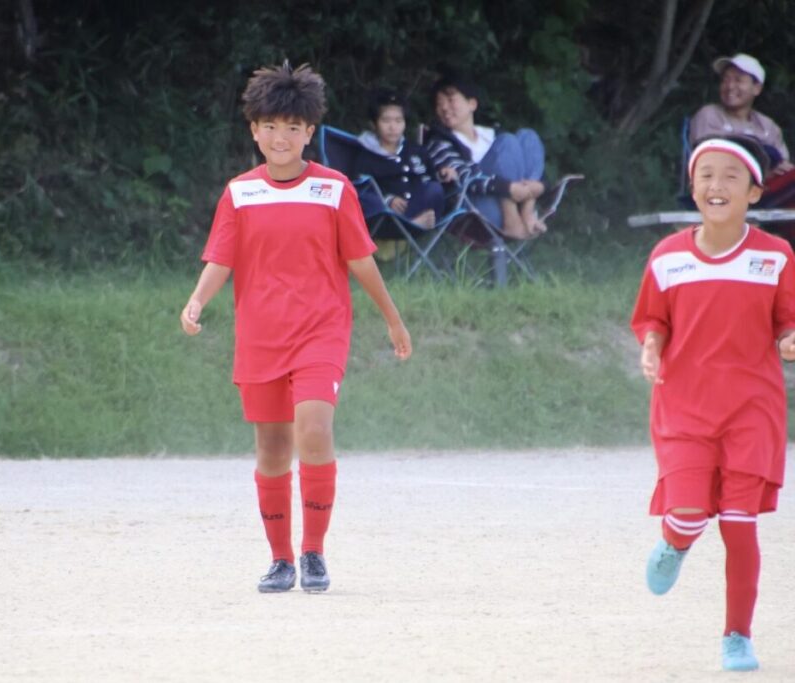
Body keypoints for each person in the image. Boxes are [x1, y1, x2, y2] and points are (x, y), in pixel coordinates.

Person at [179, 61, 412, 594]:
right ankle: (281, 560)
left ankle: (314, 553)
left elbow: (361, 261)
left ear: (310, 132)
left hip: (319, 331)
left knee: (314, 429)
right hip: (260, 336)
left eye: (292, 127)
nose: (280, 137)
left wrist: (393, 320)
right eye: (270, 126)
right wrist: (196, 301)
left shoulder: (334, 189)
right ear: (254, 131)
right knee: (272, 448)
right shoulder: (240, 192)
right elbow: (221, 258)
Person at [631, 135, 795, 672]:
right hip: (684, 409)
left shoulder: (776, 256)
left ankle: (737, 636)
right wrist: (652, 345)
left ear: (754, 192)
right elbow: (652, 319)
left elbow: (787, 319)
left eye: (730, 176)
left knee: (740, 523)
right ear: (692, 186)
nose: (716, 185)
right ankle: (675, 542)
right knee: (687, 512)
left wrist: (790, 338)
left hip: (752, 411)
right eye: (706, 175)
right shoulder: (668, 256)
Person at [423, 72, 547, 240]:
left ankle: (527, 210)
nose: (444, 108)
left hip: (520, 200)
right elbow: (463, 177)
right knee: (507, 141)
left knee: (527, 136)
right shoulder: (439, 142)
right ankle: (512, 220)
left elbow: (532, 167)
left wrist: (540, 186)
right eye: (439, 104)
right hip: (475, 209)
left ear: (472, 104)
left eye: (451, 100)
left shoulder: (491, 135)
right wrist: (507, 188)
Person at [689, 53, 795, 208]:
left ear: (757, 88)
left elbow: (784, 166)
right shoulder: (709, 115)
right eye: (725, 79)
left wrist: (778, 171)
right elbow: (709, 161)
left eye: (738, 80)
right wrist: (761, 173)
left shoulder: (768, 126)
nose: (730, 86)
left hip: (766, 191)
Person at [352, 88, 446, 230]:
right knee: (366, 200)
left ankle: (414, 224)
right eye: (386, 121)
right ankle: (409, 226)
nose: (393, 127)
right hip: (386, 214)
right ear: (374, 124)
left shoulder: (415, 151)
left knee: (434, 189)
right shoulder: (366, 156)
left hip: (418, 206)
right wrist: (388, 199)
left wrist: (443, 174)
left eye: (398, 121)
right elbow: (362, 190)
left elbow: (431, 177)